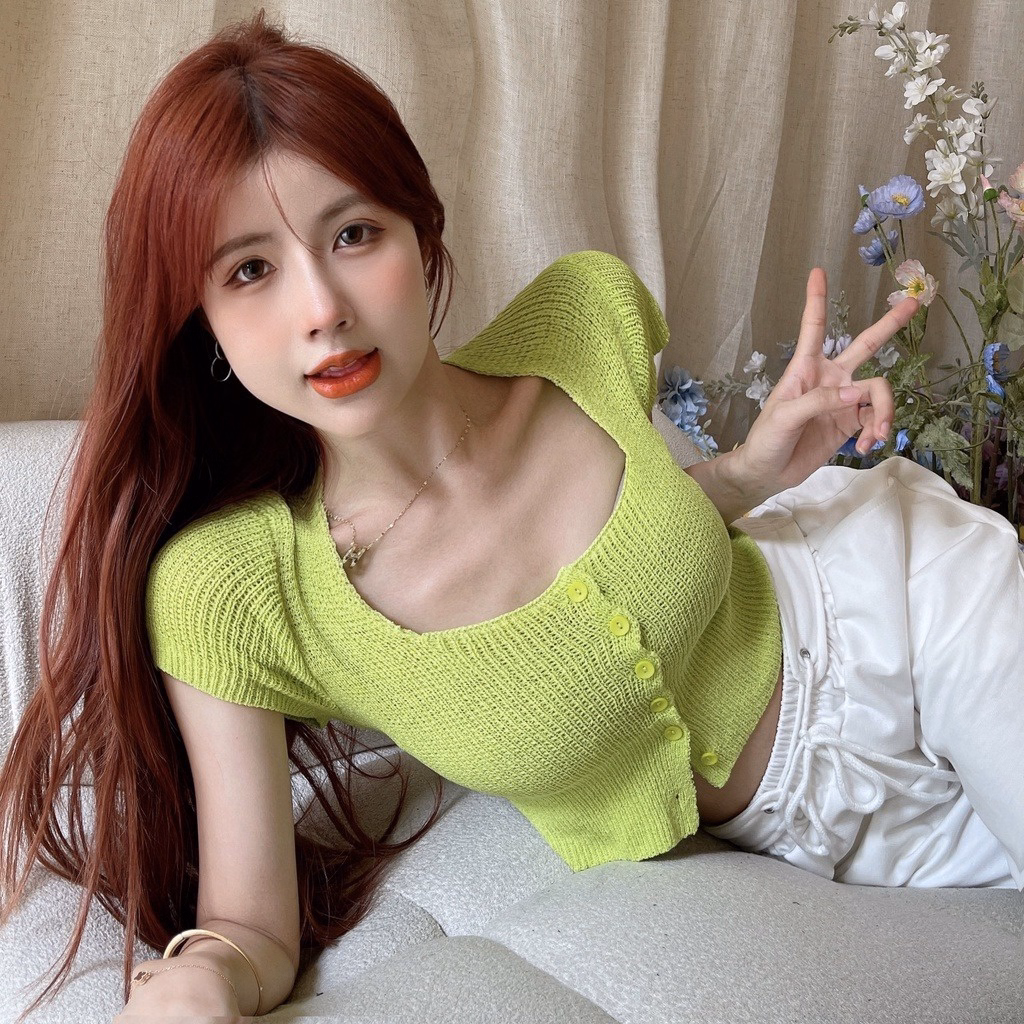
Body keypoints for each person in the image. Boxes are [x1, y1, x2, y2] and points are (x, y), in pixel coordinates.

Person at [1, 9, 1021, 1023]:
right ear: (203, 324)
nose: (322, 308)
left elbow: (642, 543)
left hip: (912, 602)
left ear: (420, 232)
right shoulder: (236, 590)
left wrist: (751, 471)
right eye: (250, 270)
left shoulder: (583, 321)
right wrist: (198, 982)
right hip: (838, 832)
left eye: (353, 234)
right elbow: (247, 924)